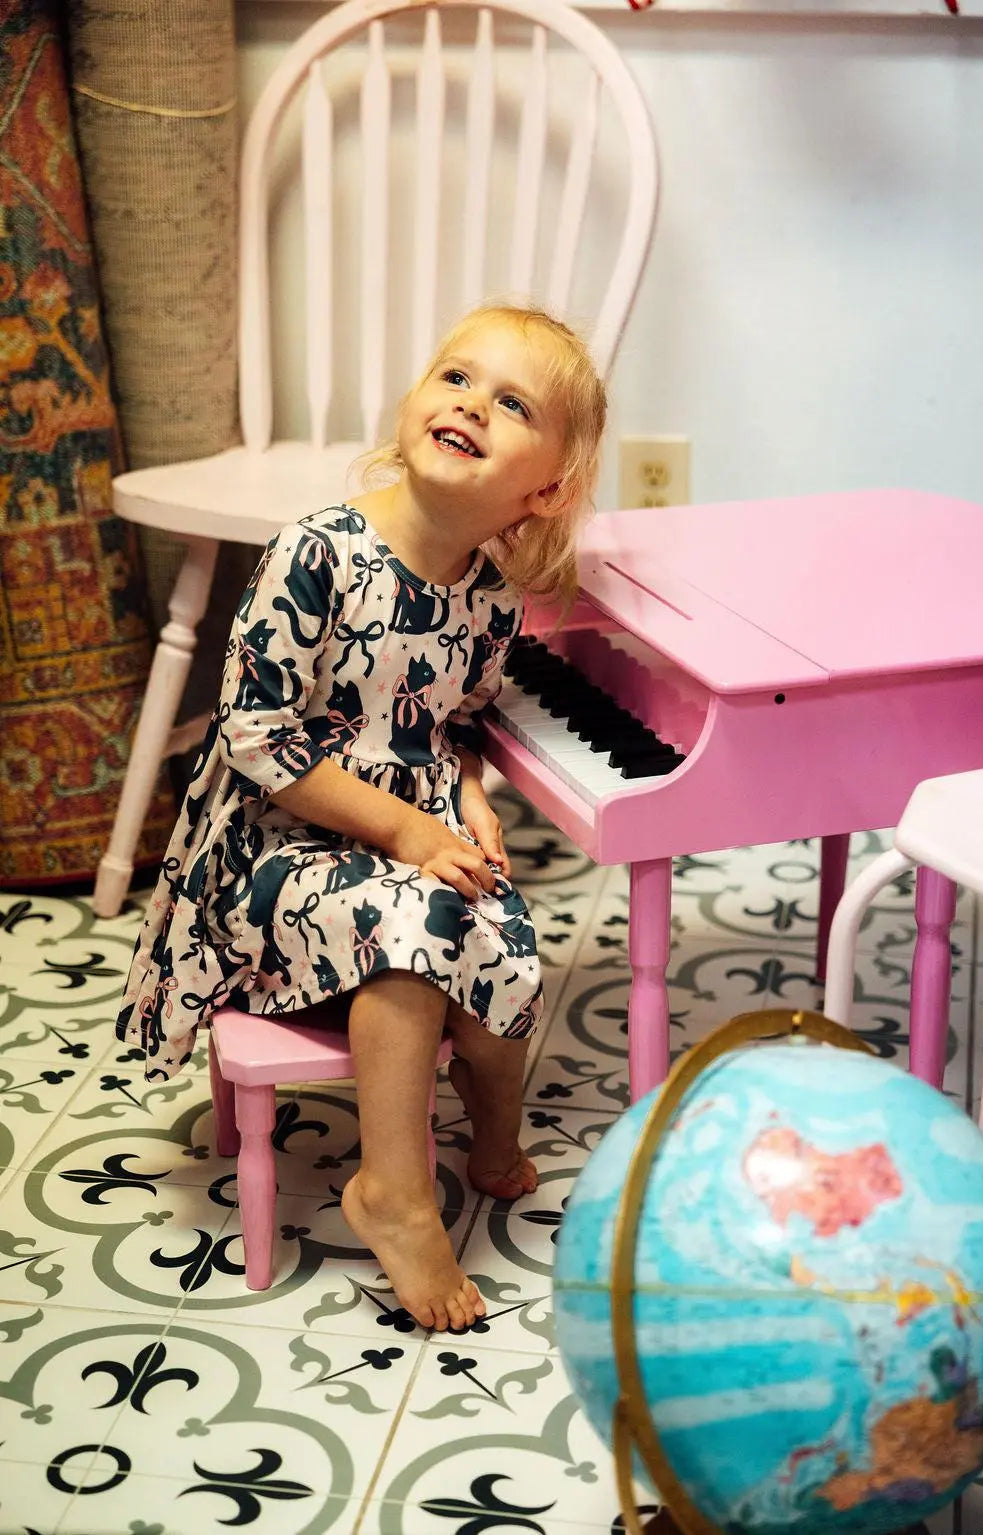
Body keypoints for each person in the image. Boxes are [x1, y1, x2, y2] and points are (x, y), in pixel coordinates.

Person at [116, 302, 607, 1331]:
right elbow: (255, 738)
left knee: (504, 933)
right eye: (456, 378)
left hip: (398, 819)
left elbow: (455, 720)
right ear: (416, 401)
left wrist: (464, 797)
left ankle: (492, 1136)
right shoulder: (318, 552)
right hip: (271, 843)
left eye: (510, 402)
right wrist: (401, 831)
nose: (472, 403)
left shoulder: (488, 594)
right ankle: (395, 1191)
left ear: (544, 487)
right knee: (416, 930)